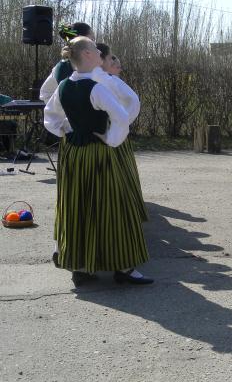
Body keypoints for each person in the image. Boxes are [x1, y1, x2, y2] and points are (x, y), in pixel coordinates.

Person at [44, 36, 152, 286]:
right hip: (99, 153)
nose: (101, 55)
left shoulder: (63, 87)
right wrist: (111, 138)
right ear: (88, 56)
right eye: (95, 50)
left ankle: (80, 267)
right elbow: (121, 116)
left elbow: (50, 117)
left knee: (76, 206)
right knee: (113, 207)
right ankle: (123, 267)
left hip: (73, 155)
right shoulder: (98, 88)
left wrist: (66, 130)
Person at [94, 43, 148, 222]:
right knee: (114, 177)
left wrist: (119, 127)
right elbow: (132, 102)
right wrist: (119, 127)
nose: (115, 62)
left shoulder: (108, 80)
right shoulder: (106, 81)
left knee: (113, 177)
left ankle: (116, 211)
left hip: (106, 136)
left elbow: (132, 102)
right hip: (108, 136)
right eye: (111, 58)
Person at [40, 22, 95, 103]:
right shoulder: (65, 65)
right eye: (92, 39)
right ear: (80, 39)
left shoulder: (86, 62)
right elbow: (70, 95)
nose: (95, 44)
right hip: (55, 107)